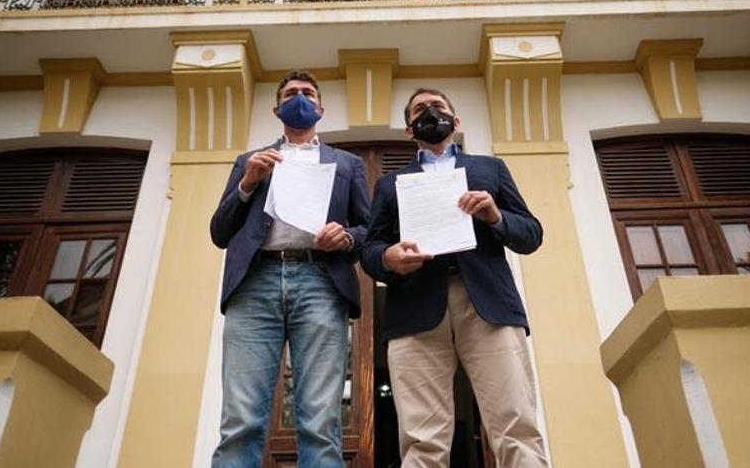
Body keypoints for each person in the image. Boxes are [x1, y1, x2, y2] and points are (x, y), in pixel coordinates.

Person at [360, 88, 548, 467]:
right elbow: (370, 247)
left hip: (488, 305)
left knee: (516, 426)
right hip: (414, 309)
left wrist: (496, 217)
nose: (431, 113)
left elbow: (531, 234)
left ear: (455, 122)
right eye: (420, 110)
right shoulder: (390, 184)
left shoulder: (490, 169)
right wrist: (388, 258)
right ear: (410, 129)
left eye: (439, 107)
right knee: (421, 438)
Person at [209, 70, 370, 468]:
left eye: (307, 93)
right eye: (291, 93)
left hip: (320, 282)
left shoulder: (347, 164)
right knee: (240, 420)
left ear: (320, 107)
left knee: (320, 419)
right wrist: (247, 183)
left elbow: (369, 229)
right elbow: (220, 230)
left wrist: (346, 237)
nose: (300, 98)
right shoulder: (250, 160)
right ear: (277, 107)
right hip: (255, 283)